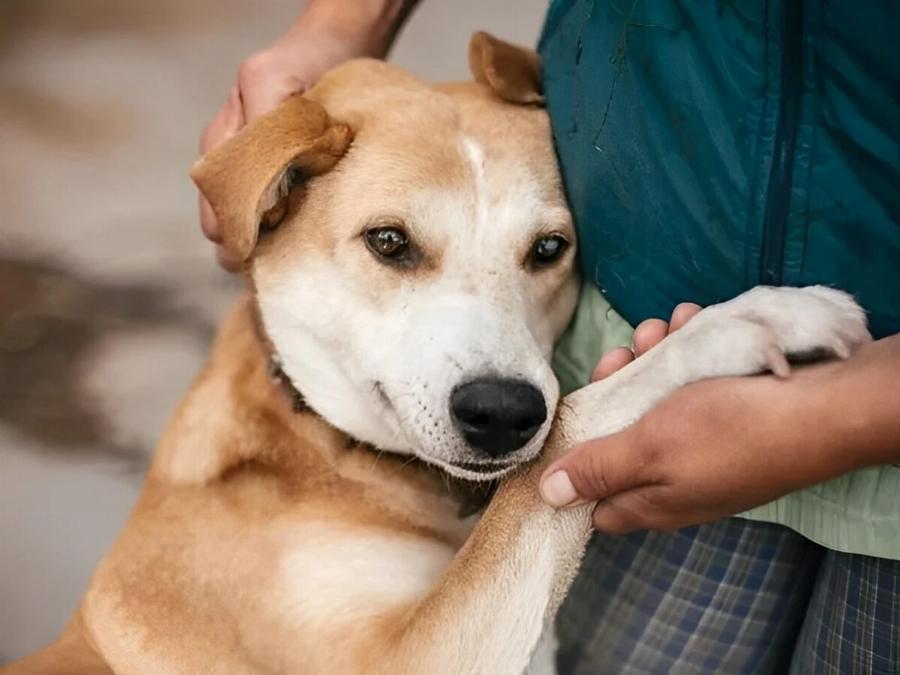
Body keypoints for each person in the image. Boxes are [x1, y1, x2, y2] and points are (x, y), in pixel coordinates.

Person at [198, 1, 900, 672]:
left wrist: (833, 412)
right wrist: (345, 18)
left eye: (542, 251)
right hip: (648, 349)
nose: (490, 363)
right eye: (393, 243)